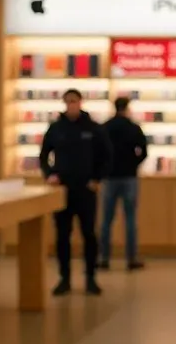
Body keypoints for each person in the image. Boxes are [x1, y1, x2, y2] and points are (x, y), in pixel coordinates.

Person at [39, 89, 110, 296]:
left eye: (74, 101)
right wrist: (50, 174)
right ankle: (64, 278)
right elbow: (44, 156)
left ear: (80, 102)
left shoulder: (94, 128)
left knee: (89, 234)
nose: (71, 105)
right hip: (62, 190)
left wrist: (97, 179)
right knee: (62, 235)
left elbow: (106, 156)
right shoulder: (56, 129)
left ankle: (90, 278)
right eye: (68, 101)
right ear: (64, 103)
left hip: (86, 190)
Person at [99, 96, 148, 271]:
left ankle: (104, 258)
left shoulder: (105, 127)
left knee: (106, 220)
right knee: (130, 219)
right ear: (127, 108)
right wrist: (134, 163)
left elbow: (98, 150)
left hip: (109, 177)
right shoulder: (133, 128)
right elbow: (143, 151)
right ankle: (131, 259)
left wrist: (104, 167)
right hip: (129, 177)